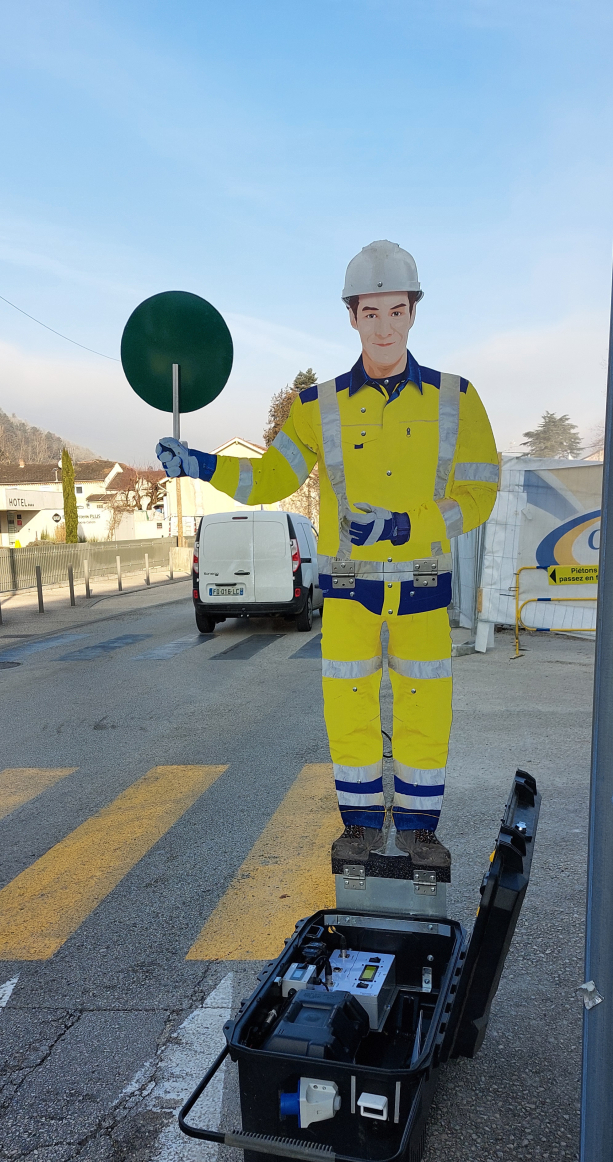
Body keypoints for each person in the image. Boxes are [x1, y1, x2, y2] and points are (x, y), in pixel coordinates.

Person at [156, 240, 499, 867]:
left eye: (397, 311)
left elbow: (479, 494)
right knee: (349, 710)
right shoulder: (319, 406)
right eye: (371, 313)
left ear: (414, 312)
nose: (385, 326)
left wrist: (407, 524)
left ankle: (422, 832)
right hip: (349, 594)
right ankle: (362, 827)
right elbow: (271, 479)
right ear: (352, 317)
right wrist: (203, 465)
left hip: (422, 586)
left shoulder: (458, 397)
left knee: (427, 708)